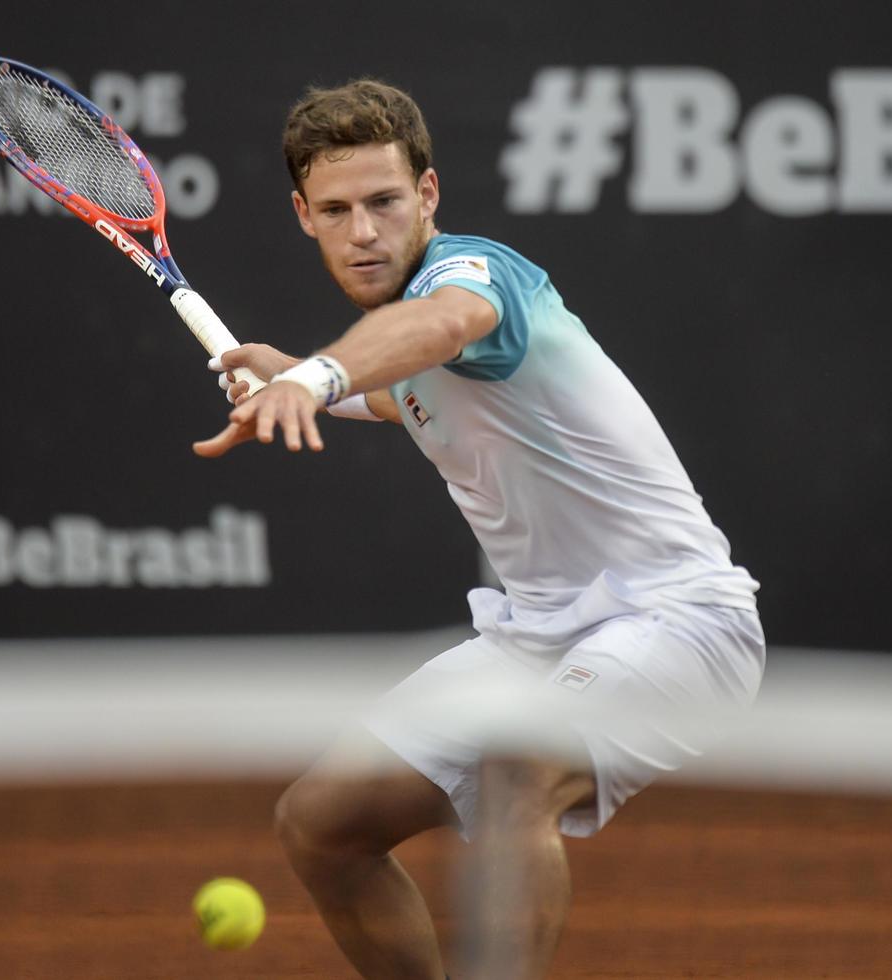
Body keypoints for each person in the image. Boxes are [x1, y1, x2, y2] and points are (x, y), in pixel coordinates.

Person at [194, 79, 764, 980]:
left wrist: (316, 381)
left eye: (385, 202)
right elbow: (414, 390)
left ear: (427, 195)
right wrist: (297, 372)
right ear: (304, 216)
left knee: (515, 774)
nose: (365, 230)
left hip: (680, 621)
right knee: (321, 825)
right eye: (337, 210)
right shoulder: (402, 342)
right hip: (538, 633)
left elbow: (442, 327)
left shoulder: (475, 276)